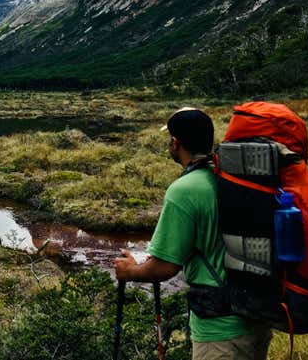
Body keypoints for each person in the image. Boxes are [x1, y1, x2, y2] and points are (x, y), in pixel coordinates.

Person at [114, 108, 272, 360]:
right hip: (257, 318)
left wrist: (129, 271)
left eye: (170, 138)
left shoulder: (184, 190)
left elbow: (165, 267)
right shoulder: (231, 178)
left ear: (175, 143)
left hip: (219, 331)